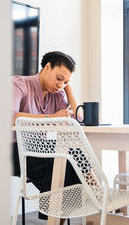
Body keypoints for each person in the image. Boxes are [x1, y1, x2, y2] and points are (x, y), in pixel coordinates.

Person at [12, 51, 80, 223]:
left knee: (72, 153)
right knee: (63, 164)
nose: (60, 85)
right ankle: (96, 194)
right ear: (47, 67)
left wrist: (68, 88)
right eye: (59, 78)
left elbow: (78, 118)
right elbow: (10, 116)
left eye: (65, 82)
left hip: (39, 149)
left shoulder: (57, 94)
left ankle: (93, 190)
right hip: (14, 149)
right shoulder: (20, 84)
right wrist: (52, 118)